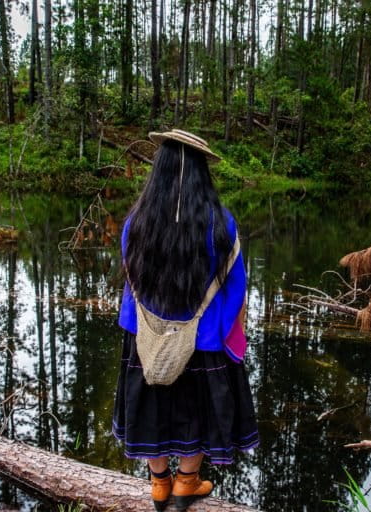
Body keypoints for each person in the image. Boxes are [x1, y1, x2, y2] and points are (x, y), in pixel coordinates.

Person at [113, 129, 259, 511]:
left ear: (157, 170)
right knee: (197, 415)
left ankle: (159, 485)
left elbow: (131, 284)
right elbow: (237, 287)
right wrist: (228, 334)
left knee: (152, 412)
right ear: (201, 172)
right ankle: (185, 485)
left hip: (147, 338)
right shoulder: (220, 223)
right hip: (203, 340)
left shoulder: (136, 223)